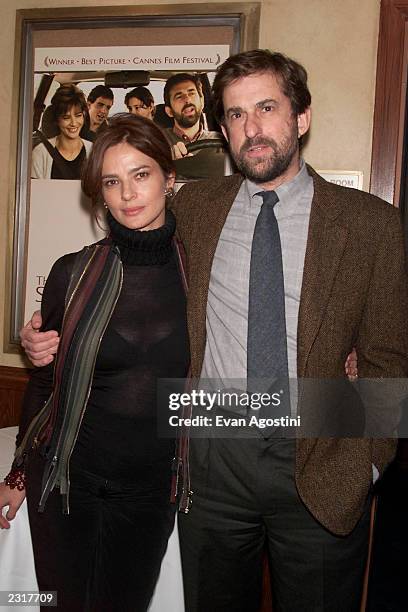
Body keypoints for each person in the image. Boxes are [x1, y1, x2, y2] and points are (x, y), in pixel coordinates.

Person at [17, 49, 406, 611]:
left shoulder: (370, 223)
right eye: (236, 114)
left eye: (267, 107)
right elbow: (125, 255)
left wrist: (365, 463)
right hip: (209, 463)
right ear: (221, 129)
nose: (252, 129)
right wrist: (50, 331)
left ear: (302, 117)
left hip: (321, 453)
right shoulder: (196, 206)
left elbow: (389, 360)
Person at [1, 114, 190, 611]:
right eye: (112, 181)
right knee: (58, 605)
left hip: (150, 492)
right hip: (67, 484)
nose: (128, 193)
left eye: (141, 174)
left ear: (169, 178)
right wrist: (20, 474)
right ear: (99, 194)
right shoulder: (73, 272)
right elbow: (46, 384)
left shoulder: (201, 270)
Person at [31, 85, 92, 180]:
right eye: (66, 118)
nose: (73, 123)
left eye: (78, 115)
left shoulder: (94, 151)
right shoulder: (41, 153)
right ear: (57, 119)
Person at [163, 73, 221, 160]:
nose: (187, 99)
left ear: (202, 102)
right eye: (179, 96)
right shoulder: (158, 141)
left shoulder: (219, 140)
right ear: (169, 111)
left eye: (191, 93)